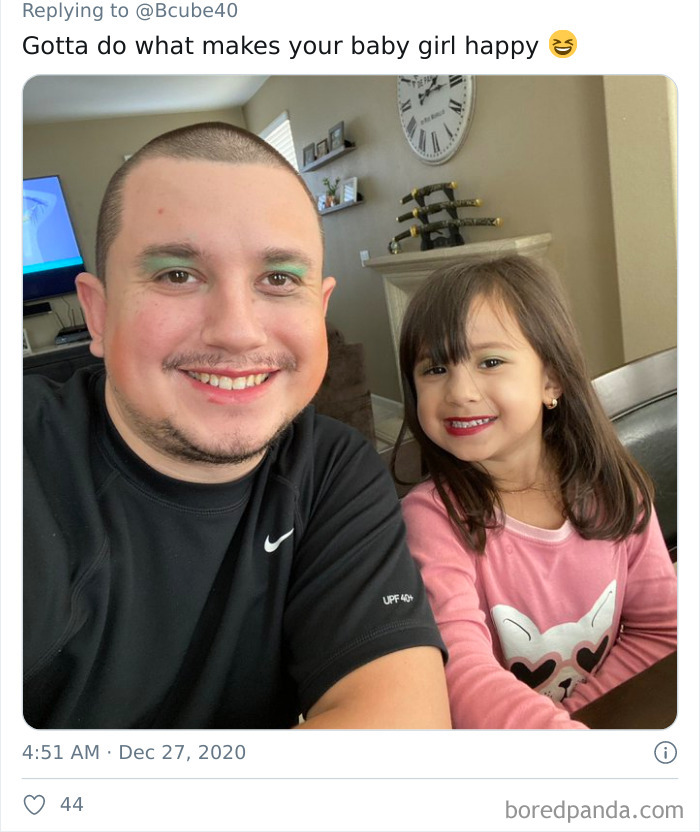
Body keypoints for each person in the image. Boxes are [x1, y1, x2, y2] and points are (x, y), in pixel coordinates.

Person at [24, 122, 450, 730]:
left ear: (320, 308)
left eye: (279, 279)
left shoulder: (334, 469)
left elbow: (397, 735)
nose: (237, 330)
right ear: (97, 312)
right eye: (177, 274)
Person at [396, 256, 677, 729]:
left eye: (490, 361)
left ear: (552, 380)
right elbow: (457, 673)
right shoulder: (430, 520)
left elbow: (661, 630)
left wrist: (572, 719)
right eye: (435, 368)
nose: (460, 391)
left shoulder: (614, 488)